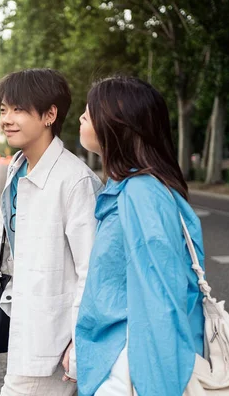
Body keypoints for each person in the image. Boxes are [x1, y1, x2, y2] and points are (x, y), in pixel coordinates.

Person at [0, 68, 103, 396]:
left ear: (49, 115)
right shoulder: (18, 168)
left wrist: (80, 340)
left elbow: (92, 272)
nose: (6, 119)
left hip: (55, 338)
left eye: (18, 109)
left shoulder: (75, 181)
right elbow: (2, 232)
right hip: (27, 323)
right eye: (3, 110)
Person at [75, 76, 206, 396]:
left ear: (117, 123)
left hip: (131, 368)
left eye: (90, 111)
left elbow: (162, 300)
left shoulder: (142, 192)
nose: (81, 116)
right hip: (117, 359)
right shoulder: (125, 188)